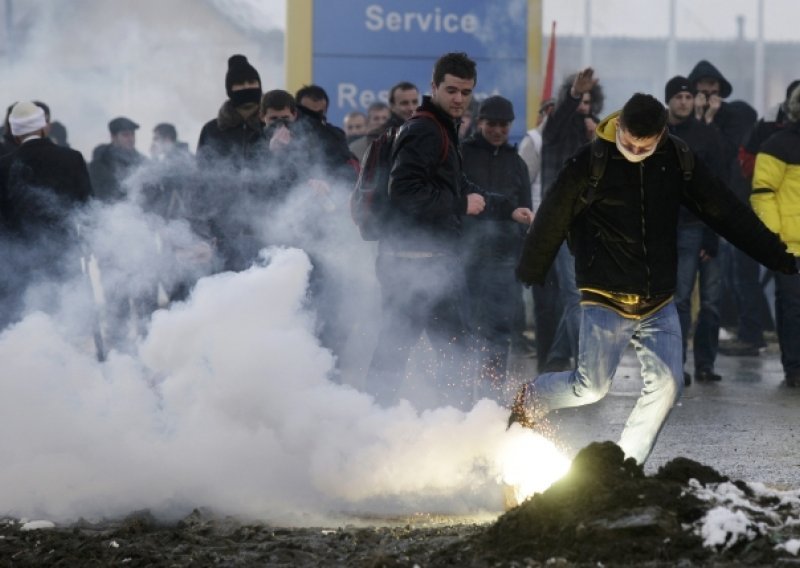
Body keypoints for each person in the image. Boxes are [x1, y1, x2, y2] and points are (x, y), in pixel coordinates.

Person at [511, 93, 797, 465]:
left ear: (661, 135)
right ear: (621, 127)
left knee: (668, 385)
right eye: (628, 142)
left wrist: (776, 256)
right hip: (604, 295)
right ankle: (530, 399)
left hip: (659, 300)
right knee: (591, 387)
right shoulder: (590, 161)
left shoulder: (677, 159)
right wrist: (531, 269)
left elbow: (725, 210)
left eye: (644, 146)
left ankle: (626, 465)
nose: (634, 150)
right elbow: (553, 213)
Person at [365, 52, 533, 409]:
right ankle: (381, 422)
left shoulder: (441, 128)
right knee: (423, 351)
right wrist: (459, 205)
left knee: (440, 351)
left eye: (466, 92)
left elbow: (460, 185)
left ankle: (438, 424)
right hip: (415, 264)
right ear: (435, 87)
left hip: (429, 262)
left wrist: (505, 208)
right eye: (452, 90)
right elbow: (405, 191)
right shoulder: (427, 129)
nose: (459, 98)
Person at [688, 60, 768, 357]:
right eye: (701, 91)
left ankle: (752, 333)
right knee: (730, 276)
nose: (708, 95)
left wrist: (708, 120)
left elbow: (728, 153)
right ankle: (744, 330)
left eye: (713, 90)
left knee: (744, 274)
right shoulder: (689, 122)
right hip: (711, 211)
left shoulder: (739, 115)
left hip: (741, 207)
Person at [461, 95, 532, 398]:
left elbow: (526, 210)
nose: (497, 130)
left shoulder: (517, 163)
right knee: (463, 329)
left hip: (504, 259)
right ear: (480, 123)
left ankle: (490, 396)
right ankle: (460, 394)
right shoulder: (462, 154)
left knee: (499, 332)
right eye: (491, 124)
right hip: (465, 257)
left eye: (503, 125)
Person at [536, 68, 605, 373]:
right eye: (579, 98)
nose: (582, 105)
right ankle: (585, 366)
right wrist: (573, 95)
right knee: (574, 294)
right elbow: (552, 129)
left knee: (586, 294)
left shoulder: (599, 135)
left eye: (588, 100)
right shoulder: (557, 130)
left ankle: (556, 357)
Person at [0, 101, 92, 326]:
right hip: (63, 258)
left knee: (24, 326)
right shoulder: (72, 158)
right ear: (44, 127)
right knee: (65, 323)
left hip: (19, 264)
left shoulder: (3, 166)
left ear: (14, 132)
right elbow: (88, 209)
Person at [664, 76, 727, 385]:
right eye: (678, 97)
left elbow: (717, 187)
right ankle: (678, 364)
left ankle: (705, 362)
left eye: (689, 97)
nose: (685, 102)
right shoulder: (658, 135)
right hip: (669, 227)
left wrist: (713, 233)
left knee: (712, 302)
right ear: (669, 101)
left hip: (699, 225)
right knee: (680, 300)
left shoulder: (707, 136)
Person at [751, 84, 800, 387]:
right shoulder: (776, 145)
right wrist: (774, 238)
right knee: (792, 309)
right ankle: (794, 368)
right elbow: (762, 194)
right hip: (789, 245)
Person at [196, 54, 264, 170]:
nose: (247, 87)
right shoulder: (211, 130)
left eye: (252, 82)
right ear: (230, 90)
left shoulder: (272, 126)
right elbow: (201, 173)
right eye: (240, 83)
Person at [89, 116, 146, 202]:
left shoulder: (141, 161)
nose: (131, 139)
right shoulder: (101, 161)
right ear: (113, 137)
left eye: (133, 134)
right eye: (125, 135)